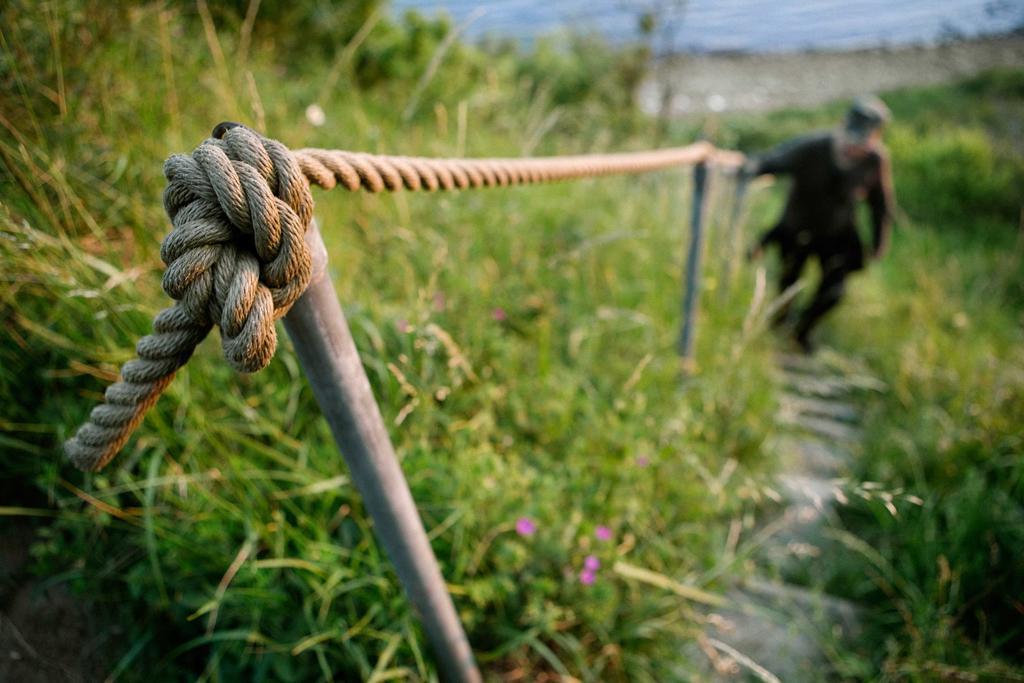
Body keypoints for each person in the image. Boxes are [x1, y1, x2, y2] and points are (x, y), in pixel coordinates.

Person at [744, 96, 895, 352]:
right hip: (796, 228)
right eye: (852, 138)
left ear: (876, 137)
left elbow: (880, 204)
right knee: (788, 284)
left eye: (864, 140)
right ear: (842, 125)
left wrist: (879, 243)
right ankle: (776, 334)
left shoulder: (875, 160)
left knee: (833, 292)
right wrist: (746, 168)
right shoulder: (813, 147)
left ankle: (802, 332)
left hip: (837, 234)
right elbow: (771, 161)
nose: (855, 147)